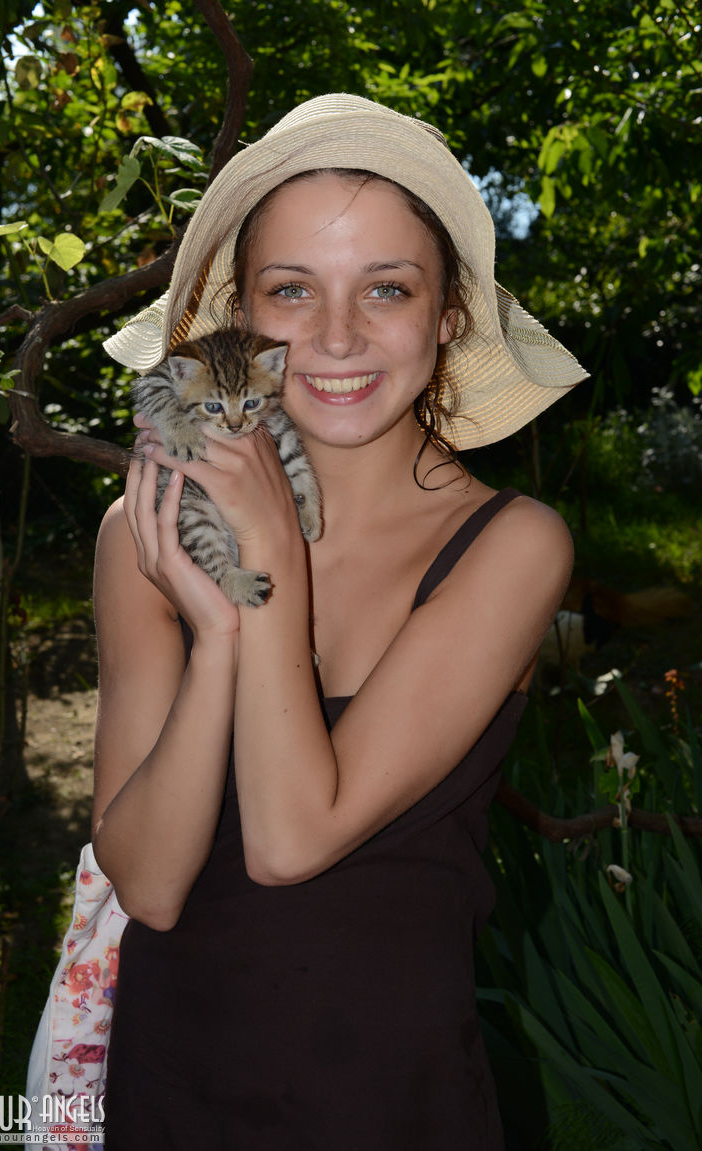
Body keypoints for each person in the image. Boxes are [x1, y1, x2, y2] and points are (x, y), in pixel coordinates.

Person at [92, 94, 587, 1149]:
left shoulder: (512, 544)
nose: (337, 336)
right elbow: (149, 880)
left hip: (391, 1103)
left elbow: (289, 836)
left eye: (389, 288)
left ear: (448, 312)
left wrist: (264, 563)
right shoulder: (139, 535)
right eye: (290, 291)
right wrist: (218, 634)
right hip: (170, 1094)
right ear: (242, 318)